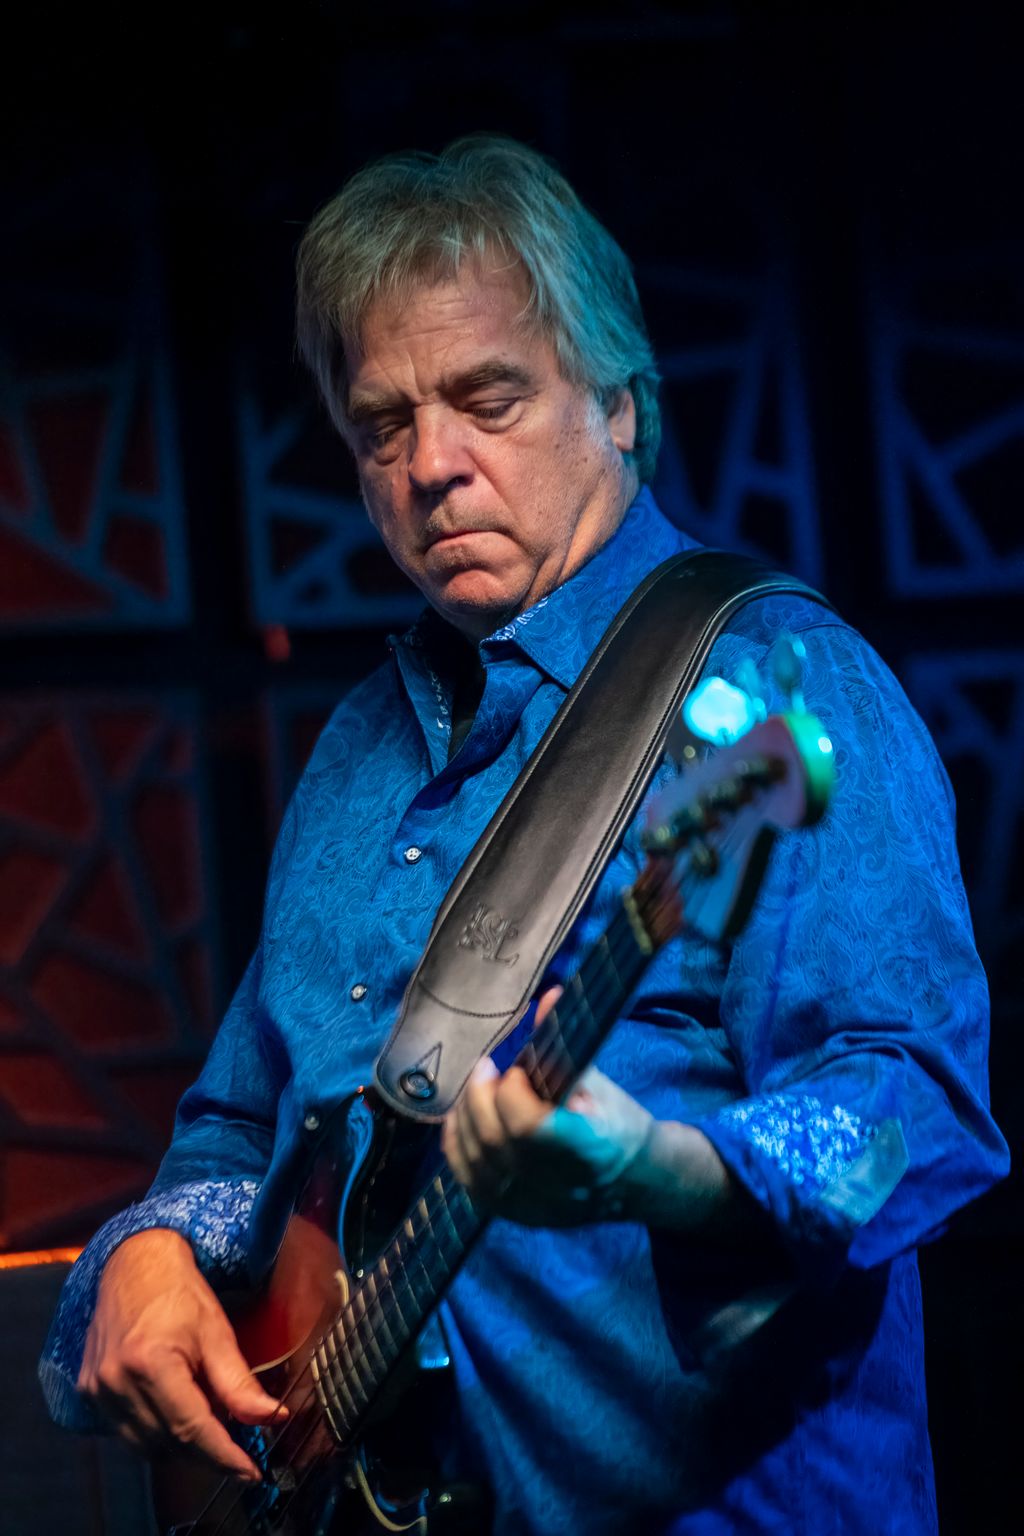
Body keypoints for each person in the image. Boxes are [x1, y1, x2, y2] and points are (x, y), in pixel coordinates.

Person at [41, 135, 1008, 1536]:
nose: (431, 466)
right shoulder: (356, 755)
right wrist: (147, 1256)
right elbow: (239, 1126)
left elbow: (917, 1104)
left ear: (620, 404)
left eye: (489, 400)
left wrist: (667, 1168)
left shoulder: (778, 692)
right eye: (382, 426)